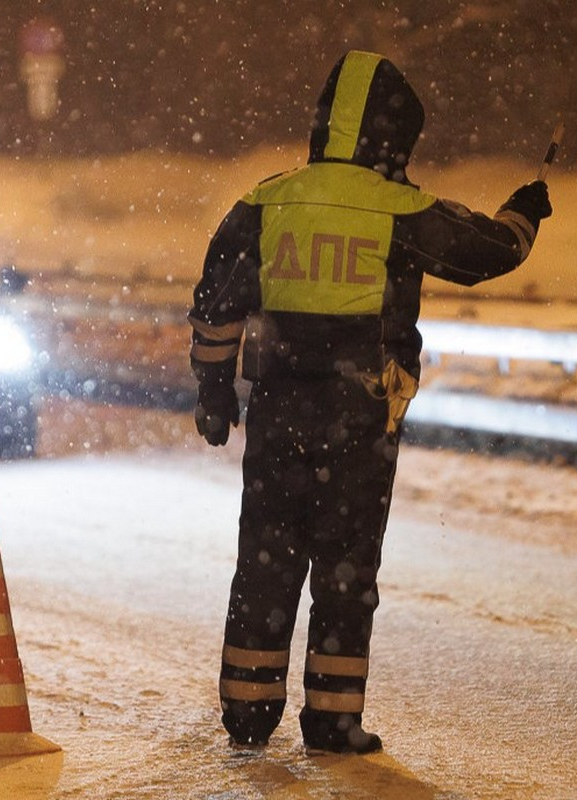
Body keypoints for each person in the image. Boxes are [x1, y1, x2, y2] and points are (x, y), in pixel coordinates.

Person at [188, 50, 552, 755]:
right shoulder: (403, 209)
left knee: (265, 561)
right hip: (361, 418)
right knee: (346, 569)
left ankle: (248, 712)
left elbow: (216, 305)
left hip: (278, 412)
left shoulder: (267, 200)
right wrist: (524, 211)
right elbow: (490, 253)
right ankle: (332, 719)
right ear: (393, 137)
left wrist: (212, 392)